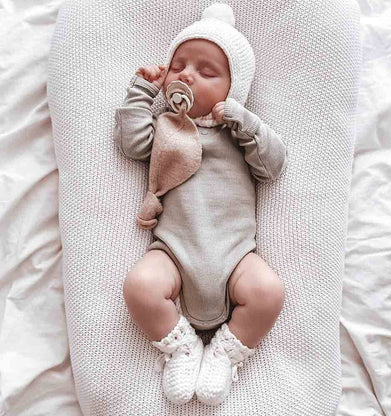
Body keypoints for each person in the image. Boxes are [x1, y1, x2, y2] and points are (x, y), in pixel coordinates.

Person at [114, 2, 287, 406]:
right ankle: (181, 346)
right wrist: (143, 91)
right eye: (179, 66)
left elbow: (272, 166)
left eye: (206, 72)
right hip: (172, 251)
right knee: (140, 287)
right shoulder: (169, 129)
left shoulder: (238, 134)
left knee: (268, 292)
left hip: (236, 255)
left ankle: (227, 351)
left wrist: (246, 121)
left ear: (234, 88)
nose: (187, 75)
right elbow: (131, 142)